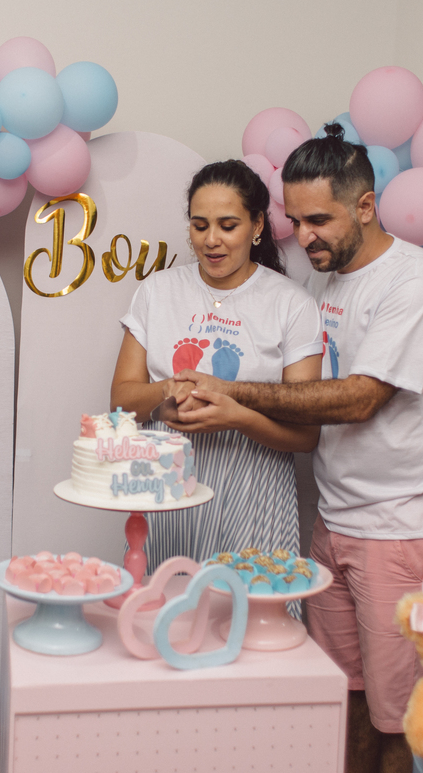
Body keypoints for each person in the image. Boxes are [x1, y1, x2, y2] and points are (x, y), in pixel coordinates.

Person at [172, 124, 423, 773]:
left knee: (403, 715)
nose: (304, 238)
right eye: (297, 220)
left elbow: (360, 398)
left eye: (319, 220)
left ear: (365, 206)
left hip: (403, 528)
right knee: (341, 699)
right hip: (336, 522)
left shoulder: (416, 281)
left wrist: (232, 393)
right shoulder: (326, 281)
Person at [110, 159, 323, 570]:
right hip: (167, 490)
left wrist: (237, 416)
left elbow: (306, 434)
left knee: (246, 604)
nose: (211, 240)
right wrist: (168, 390)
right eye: (199, 225)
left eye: (228, 226)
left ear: (257, 225)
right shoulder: (157, 291)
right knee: (162, 600)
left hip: (255, 493)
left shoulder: (291, 304)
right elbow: (120, 401)